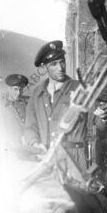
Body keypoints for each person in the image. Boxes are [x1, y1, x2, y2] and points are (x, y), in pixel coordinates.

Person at [24, 40, 89, 171]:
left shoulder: (80, 89)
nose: (60, 68)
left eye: (62, 62)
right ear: (45, 68)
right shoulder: (37, 94)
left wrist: (104, 118)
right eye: (54, 64)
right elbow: (30, 126)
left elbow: (97, 122)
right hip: (46, 161)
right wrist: (35, 143)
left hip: (73, 160)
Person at [0, 74, 29, 154]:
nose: (18, 93)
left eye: (21, 89)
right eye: (15, 89)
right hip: (10, 147)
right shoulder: (0, 106)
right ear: (8, 89)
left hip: (28, 143)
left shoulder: (27, 102)